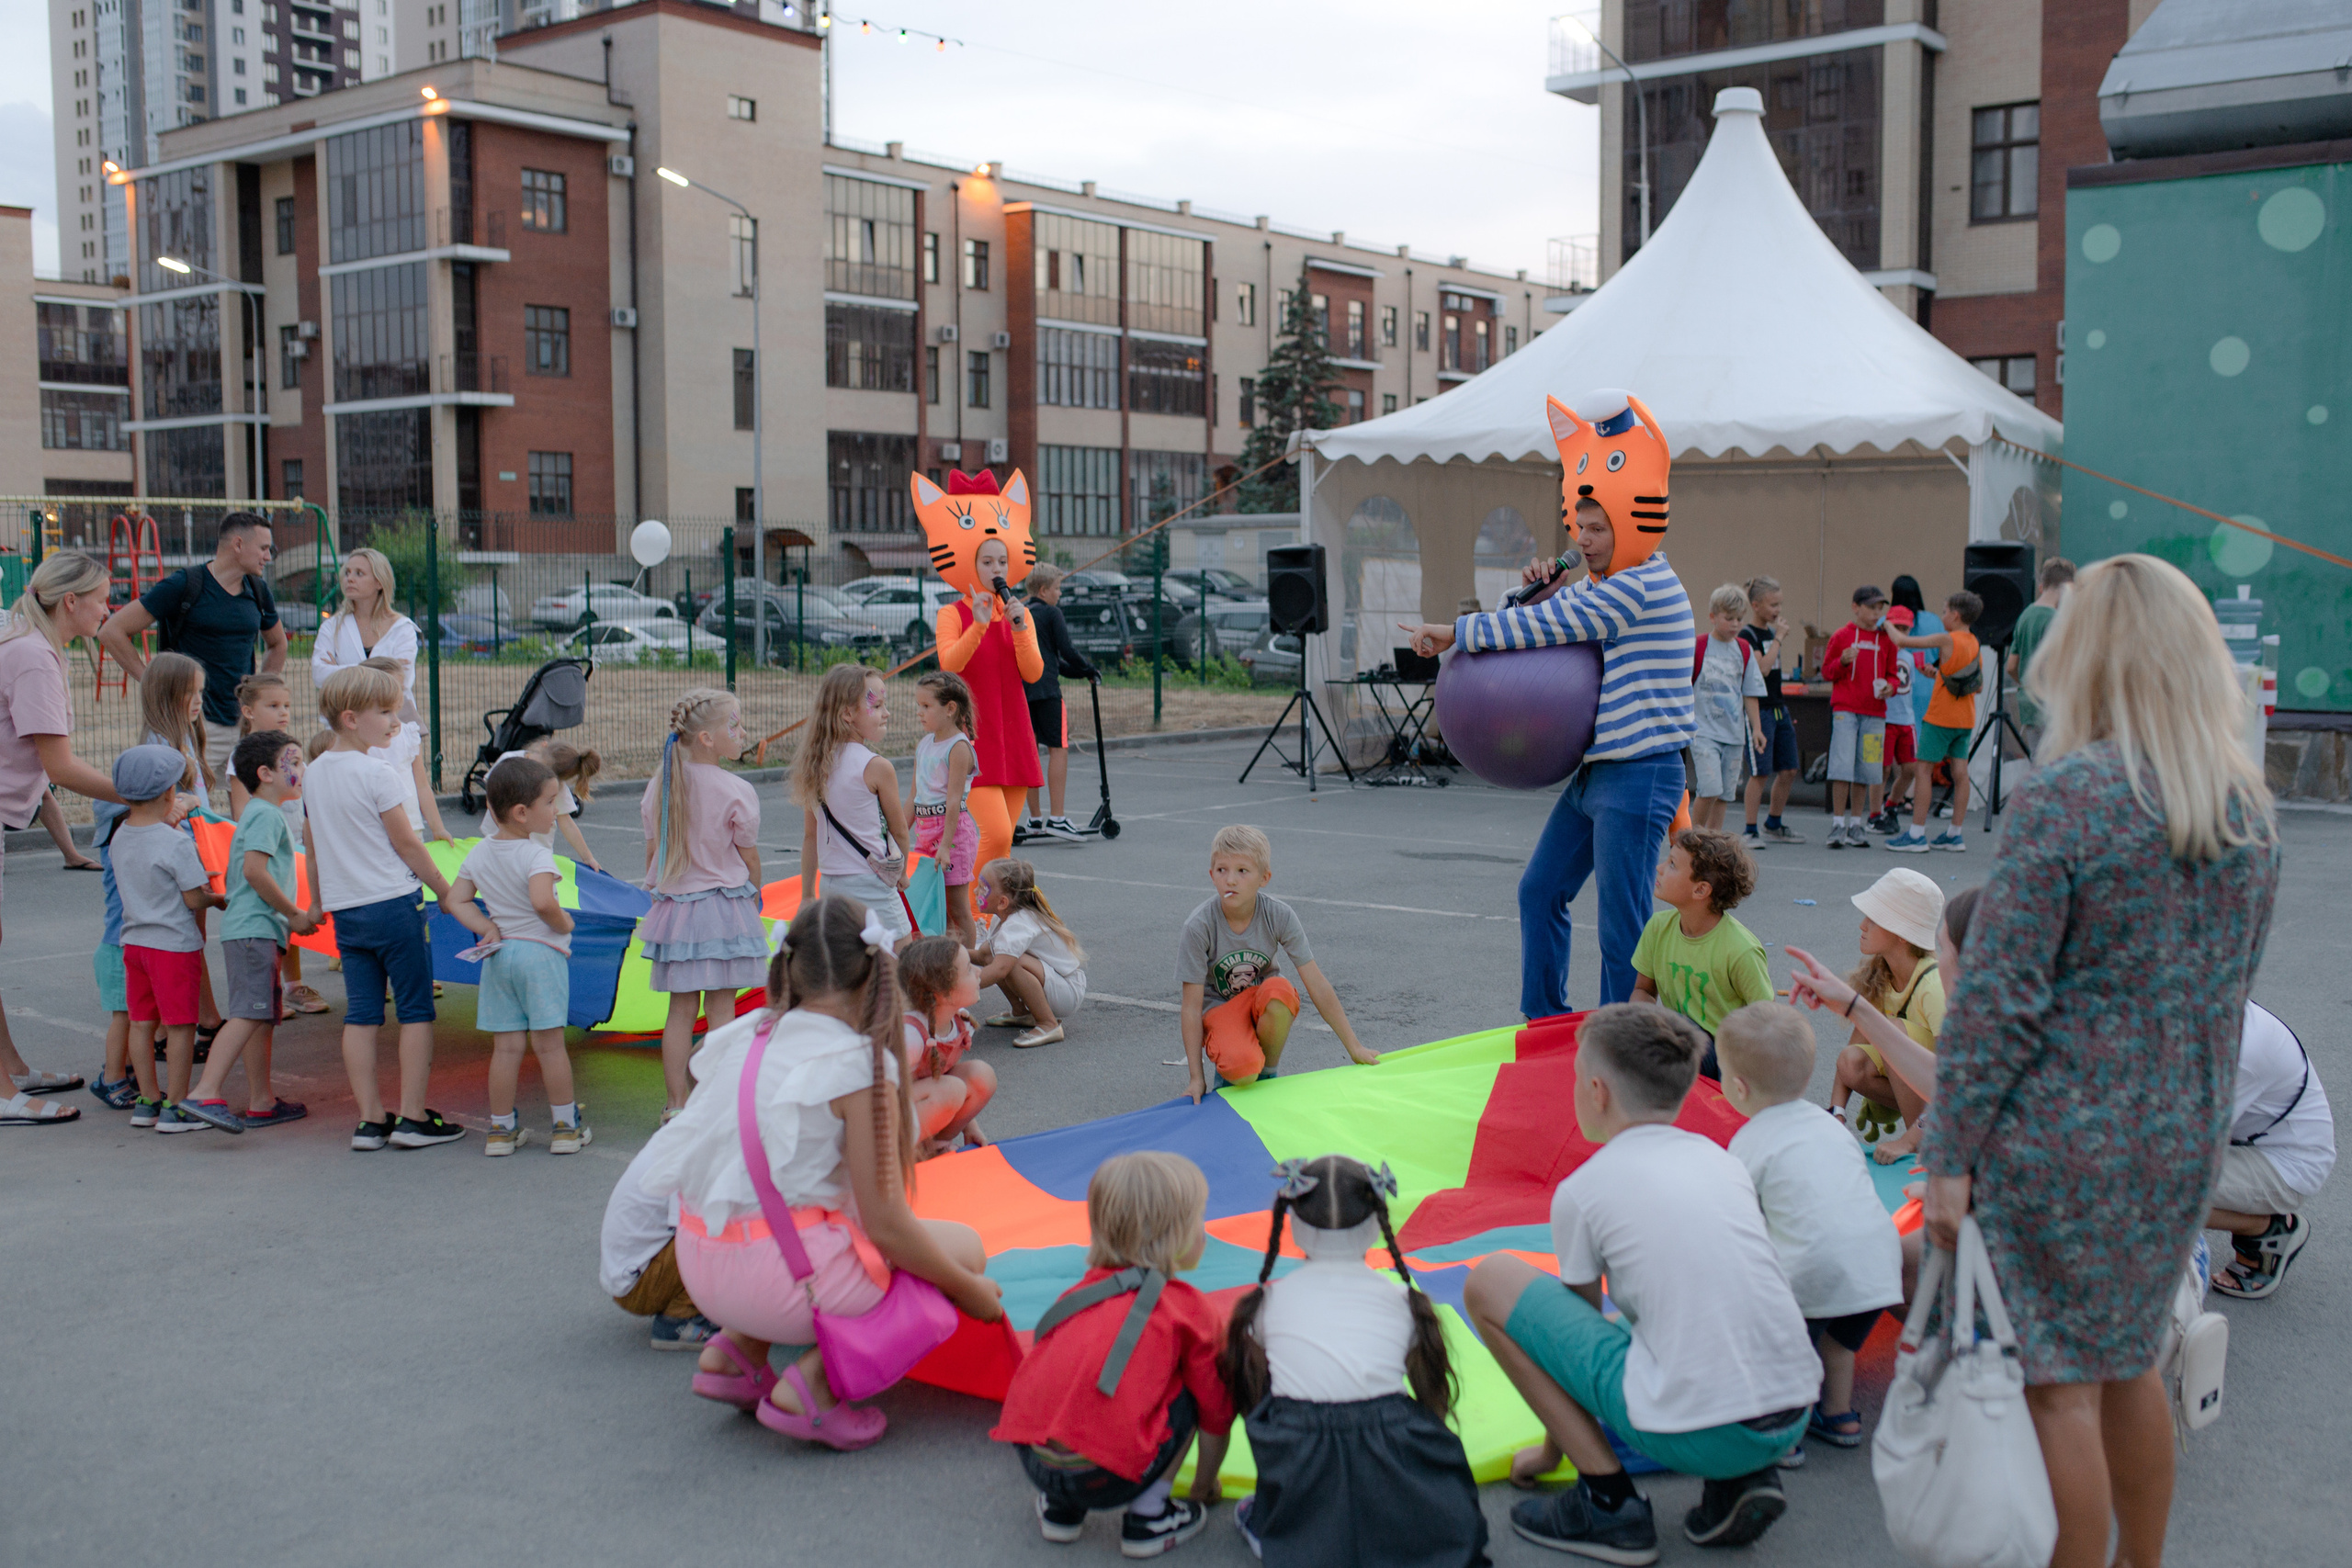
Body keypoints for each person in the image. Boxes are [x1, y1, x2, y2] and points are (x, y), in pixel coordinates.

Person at [1925, 554, 2278, 1568]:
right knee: (2130, 1365)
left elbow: (1996, 1002)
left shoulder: (2067, 796)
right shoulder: (2244, 810)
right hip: (2181, 1140)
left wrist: (1949, 1154)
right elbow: (2227, 988)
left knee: (2057, 1384)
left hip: (2060, 1143)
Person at [645, 894, 1005, 1450]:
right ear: (879, 973)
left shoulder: (742, 1036)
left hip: (699, 1263)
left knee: (797, 1215)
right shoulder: (859, 1064)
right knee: (961, 1253)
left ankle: (737, 1353)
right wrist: (970, 1291)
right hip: (780, 1278)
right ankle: (814, 1386)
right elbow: (886, 1224)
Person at [1464, 1005, 1816, 1559]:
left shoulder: (1584, 1189)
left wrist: (1550, 1454)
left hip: (1699, 1430)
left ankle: (1608, 1504)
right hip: (1792, 1415)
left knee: (1490, 1281)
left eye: (1577, 1078)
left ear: (1598, 1091)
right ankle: (1737, 1480)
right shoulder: (1723, 1161)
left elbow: (1568, 1347)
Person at [1401, 392, 1695, 1019]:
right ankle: (1547, 1023)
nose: (1583, 540)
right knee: (1541, 891)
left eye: (1597, 529)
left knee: (1624, 930)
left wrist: (1456, 630)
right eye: (1579, 527)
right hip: (1600, 769)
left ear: (1631, 522)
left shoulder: (1641, 585)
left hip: (1640, 772)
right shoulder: (1608, 583)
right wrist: (1536, 591)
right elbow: (1541, 621)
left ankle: (1627, 1047)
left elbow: (1545, 631)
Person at [1219, 1154, 1487, 1568]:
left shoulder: (1266, 1303)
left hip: (1298, 1448)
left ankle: (1284, 1521)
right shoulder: (1403, 1301)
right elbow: (1431, 1399)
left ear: (1293, 1226)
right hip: (1392, 1445)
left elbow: (1254, 1392)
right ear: (1374, 1228)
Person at [993, 1150, 1232, 1556]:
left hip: (1034, 1460)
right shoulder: (1190, 1311)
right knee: (1200, 1389)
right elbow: (1217, 1416)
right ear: (1173, 1235)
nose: (1205, 1232)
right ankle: (1150, 1515)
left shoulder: (1080, 1293)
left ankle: (1061, 1510)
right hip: (1108, 1478)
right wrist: (1203, 1486)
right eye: (1199, 1221)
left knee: (1079, 1381)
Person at [1715, 1002, 1905, 1463]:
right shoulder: (1829, 1126)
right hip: (1879, 1272)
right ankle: (1838, 1414)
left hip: (1811, 1276)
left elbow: (1742, 1224)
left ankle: (1784, 1427)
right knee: (1840, 1340)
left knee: (1782, 1343)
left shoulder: (1748, 1143)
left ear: (1738, 1087)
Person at [304, 663, 465, 1152]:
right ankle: (413, 1116)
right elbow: (408, 846)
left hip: (348, 913)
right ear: (351, 718)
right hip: (394, 905)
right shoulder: (378, 773)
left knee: (363, 1014)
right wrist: (443, 889)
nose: (395, 722)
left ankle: (371, 1119)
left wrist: (316, 900)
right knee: (416, 1011)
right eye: (386, 712)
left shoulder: (313, 773)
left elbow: (313, 845)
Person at [0, 551, 123, 1123]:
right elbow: (63, 766)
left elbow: (40, 773)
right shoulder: (33, 658)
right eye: (102, 598)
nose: (110, 607)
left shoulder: (31, 645)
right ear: (71, 602)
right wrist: (146, 794)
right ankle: (4, 1093)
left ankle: (11, 1071)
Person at [174, 731, 316, 1134]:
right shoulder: (266, 815)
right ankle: (205, 1091)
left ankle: (261, 1101)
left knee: (258, 1016)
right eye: (296, 762)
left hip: (253, 932)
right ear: (266, 773)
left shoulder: (259, 812)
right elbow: (255, 872)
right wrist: (293, 914)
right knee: (245, 1016)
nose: (302, 771)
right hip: (256, 931)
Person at [447, 755, 588, 1157]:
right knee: (549, 1045)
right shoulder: (536, 855)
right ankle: (565, 1126)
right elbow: (543, 902)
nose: (555, 810)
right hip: (540, 956)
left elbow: (455, 899)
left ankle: (501, 1130)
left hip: (500, 954)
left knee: (506, 1048)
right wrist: (564, 924)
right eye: (549, 802)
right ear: (522, 813)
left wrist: (487, 926)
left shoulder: (480, 854)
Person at [1179, 825, 1377, 1100]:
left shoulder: (1279, 915)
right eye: (1222, 870)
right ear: (1211, 875)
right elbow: (1191, 1007)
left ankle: (1267, 1073)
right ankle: (1238, 1065)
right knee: (1244, 1072)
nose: (1231, 880)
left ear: (1264, 877)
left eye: (1242, 871)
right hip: (1221, 1009)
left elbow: (1316, 982)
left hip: (1257, 1003)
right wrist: (1196, 1079)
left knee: (1280, 992)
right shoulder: (1199, 926)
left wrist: (1354, 1046)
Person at [642, 688, 768, 1116]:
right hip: (723, 910)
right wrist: (755, 894)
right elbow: (748, 855)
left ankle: (674, 1103)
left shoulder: (661, 783)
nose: (743, 732)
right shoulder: (735, 788)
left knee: (679, 1012)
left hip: (676, 913)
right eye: (735, 725)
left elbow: (652, 852)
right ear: (708, 739)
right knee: (721, 1011)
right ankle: (717, 1105)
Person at [98, 509, 288, 788]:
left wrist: (259, 694)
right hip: (191, 723)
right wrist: (153, 681)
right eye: (263, 548)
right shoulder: (185, 585)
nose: (268, 556)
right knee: (182, 802)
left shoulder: (258, 591)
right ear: (238, 544)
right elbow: (112, 631)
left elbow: (278, 643)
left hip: (241, 724)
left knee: (249, 805)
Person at [924, 469, 1046, 875]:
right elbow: (949, 666)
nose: (996, 569)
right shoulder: (951, 613)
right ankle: (973, 915)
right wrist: (978, 624)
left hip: (1014, 734)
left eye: (1002, 561)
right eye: (987, 561)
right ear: (971, 563)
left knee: (1003, 839)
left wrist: (1021, 628)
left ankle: (985, 916)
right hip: (974, 739)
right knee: (992, 835)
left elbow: (1033, 673)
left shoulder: (1018, 612)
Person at [107, 744, 226, 1134]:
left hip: (135, 944)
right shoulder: (176, 842)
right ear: (169, 794)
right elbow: (194, 898)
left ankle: (148, 1100)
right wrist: (219, 898)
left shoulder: (120, 835)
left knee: (142, 1024)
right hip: (173, 946)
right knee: (180, 1026)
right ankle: (177, 1106)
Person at [2207, 1001, 2333, 1300]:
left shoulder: (2240, 1049)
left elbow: (2182, 1147)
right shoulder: (2211, 1010)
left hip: (2285, 1167)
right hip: (2244, 1142)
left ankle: (2268, 1230)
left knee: (2143, 1188)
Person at [1823, 867, 1945, 1164]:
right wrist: (1835, 1117)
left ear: (1902, 934)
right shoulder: (1882, 976)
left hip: (1951, 1103)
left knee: (1894, 1032)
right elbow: (1848, 1058)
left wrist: (1906, 1141)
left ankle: (1925, 1142)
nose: (1862, 925)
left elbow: (1953, 1080)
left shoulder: (1933, 987)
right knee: (1853, 1061)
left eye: (1874, 919)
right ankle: (1919, 1132)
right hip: (1923, 1092)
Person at [1630, 828, 1771, 1080]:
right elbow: (1644, 990)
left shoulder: (1741, 950)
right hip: (1681, 1043)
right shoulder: (1658, 927)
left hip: (1727, 1062)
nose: (1659, 868)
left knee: (1677, 1032)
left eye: (1672, 864)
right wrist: (1638, 1026)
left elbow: (1766, 1023)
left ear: (1700, 890)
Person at [793, 663, 913, 950]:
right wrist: (902, 873)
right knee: (905, 959)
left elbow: (811, 837)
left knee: (852, 967)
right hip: (871, 884)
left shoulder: (816, 765)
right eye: (878, 705)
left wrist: (808, 894)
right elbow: (900, 832)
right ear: (847, 713)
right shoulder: (877, 767)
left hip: (832, 885)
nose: (886, 713)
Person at [1884, 590, 1984, 852]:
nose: (1941, 616)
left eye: (1944, 611)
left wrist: (1886, 623)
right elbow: (1977, 686)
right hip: (1965, 719)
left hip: (1941, 717)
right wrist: (1939, 674)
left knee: (1923, 771)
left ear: (1955, 614)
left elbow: (1902, 641)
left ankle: (1917, 833)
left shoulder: (1946, 639)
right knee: (1960, 774)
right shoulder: (1974, 642)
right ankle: (1955, 833)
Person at [600, 1134, 717, 1351]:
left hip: (633, 1270)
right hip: (639, 1282)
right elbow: (691, 1228)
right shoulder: (699, 1148)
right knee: (724, 1234)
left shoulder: (691, 1129)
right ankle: (680, 1320)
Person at [1020, 561, 1100, 842]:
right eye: (1057, 588)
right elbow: (1066, 650)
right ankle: (1057, 817)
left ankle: (1034, 819)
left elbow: (1053, 660)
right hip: (1048, 693)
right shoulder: (1052, 613)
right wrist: (1089, 668)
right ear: (1043, 589)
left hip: (1023, 693)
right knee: (1059, 749)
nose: (1060, 594)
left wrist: (1082, 672)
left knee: (1031, 753)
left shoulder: (1021, 612)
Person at [974, 858, 1088, 1049]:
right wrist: (947, 951)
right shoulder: (1002, 920)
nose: (976, 891)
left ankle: (1048, 1023)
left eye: (982, 889)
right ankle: (1022, 1013)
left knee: (1009, 962)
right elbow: (982, 956)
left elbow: (1000, 970)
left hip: (1067, 992)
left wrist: (956, 989)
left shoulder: (1018, 924)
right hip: (1055, 984)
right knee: (994, 955)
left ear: (1002, 902)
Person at [898, 933, 996, 1153]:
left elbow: (945, 1070)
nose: (978, 972)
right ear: (943, 993)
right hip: (887, 1115)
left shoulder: (958, 1021)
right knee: (951, 1089)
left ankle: (933, 1144)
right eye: (970, 970)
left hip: (916, 1102)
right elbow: (877, 1093)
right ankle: (906, 1150)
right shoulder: (911, 1037)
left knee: (981, 1075)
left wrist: (969, 1124)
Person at [1820, 585, 1895, 848]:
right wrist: (1841, 662)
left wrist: (1891, 687)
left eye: (1879, 608)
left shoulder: (1886, 639)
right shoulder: (1842, 636)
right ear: (1856, 607)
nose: (1876, 614)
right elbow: (1827, 672)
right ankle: (1838, 824)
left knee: (1867, 769)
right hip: (1846, 711)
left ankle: (1856, 824)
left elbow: (1894, 674)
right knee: (1842, 767)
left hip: (1875, 713)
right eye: (1871, 608)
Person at [911, 671, 981, 947]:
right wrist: (894, 835)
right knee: (932, 905)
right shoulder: (924, 745)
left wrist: (945, 845)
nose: (919, 712)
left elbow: (953, 802)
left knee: (957, 908)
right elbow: (913, 799)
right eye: (918, 705)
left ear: (950, 708)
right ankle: (946, 965)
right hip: (925, 834)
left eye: (926, 706)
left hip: (952, 836)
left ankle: (968, 969)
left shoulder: (958, 748)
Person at [1689, 582, 1765, 832]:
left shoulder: (1743, 650)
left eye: (1739, 619)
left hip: (1733, 735)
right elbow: (1681, 687)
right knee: (1710, 787)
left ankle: (1713, 838)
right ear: (1712, 617)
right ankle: (1692, 835)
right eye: (1728, 618)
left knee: (1724, 794)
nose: (1735, 624)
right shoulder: (1698, 646)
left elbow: (1750, 692)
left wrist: (1757, 729)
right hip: (1704, 733)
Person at [358, 656, 454, 848]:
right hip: (372, 832)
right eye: (390, 690)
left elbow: (422, 785)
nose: (398, 696)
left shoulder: (409, 733)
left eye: (401, 690)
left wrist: (438, 828)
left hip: (412, 828)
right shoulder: (360, 738)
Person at [309, 547, 420, 707]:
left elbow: (401, 681)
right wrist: (381, 671)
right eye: (347, 573)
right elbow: (320, 676)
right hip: (346, 724)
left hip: (394, 725)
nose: (350, 579)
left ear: (379, 582)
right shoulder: (331, 627)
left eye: (359, 573)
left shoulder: (402, 628)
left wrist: (340, 672)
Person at [1738, 574, 1804, 848]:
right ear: (1755, 605)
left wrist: (1776, 639)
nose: (1778, 611)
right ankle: (1750, 830)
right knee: (1760, 772)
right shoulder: (1748, 635)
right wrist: (1778, 640)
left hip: (1779, 708)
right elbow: (1761, 669)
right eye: (1773, 605)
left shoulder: (1769, 634)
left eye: (1780, 605)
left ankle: (1773, 823)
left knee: (1789, 769)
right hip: (1760, 711)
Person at [474, 739, 604, 870]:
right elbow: (492, 799)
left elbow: (566, 823)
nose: (538, 774)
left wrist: (588, 857)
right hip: (500, 844)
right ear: (543, 745)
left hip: (535, 853)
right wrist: (505, 832)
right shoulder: (509, 762)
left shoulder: (554, 784)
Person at [2005, 557, 2075, 753]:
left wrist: (2029, 685)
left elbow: (2011, 666)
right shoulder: (2057, 620)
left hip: (2028, 703)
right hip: (2052, 706)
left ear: (2042, 586)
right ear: (2067, 588)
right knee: (2056, 765)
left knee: (2038, 765)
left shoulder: (2025, 616)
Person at [1870, 603, 1919, 833]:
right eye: (1896, 627)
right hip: (1884, 719)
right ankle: (1874, 814)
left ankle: (1891, 805)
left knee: (1910, 768)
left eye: (1905, 628)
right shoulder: (1881, 650)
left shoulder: (1909, 656)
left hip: (1905, 720)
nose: (1901, 632)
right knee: (1882, 769)